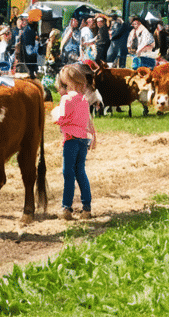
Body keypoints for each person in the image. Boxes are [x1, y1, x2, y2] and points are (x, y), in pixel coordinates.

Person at [51, 64, 95, 221]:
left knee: (68, 173)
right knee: (80, 172)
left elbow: (61, 118)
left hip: (70, 140)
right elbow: (87, 121)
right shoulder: (84, 100)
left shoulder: (66, 99)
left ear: (68, 82)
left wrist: (54, 116)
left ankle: (66, 207)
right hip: (83, 139)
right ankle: (86, 208)